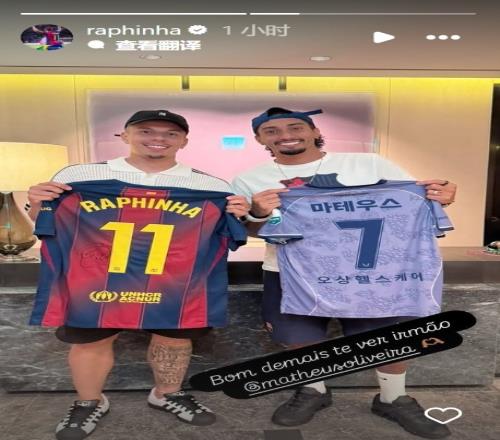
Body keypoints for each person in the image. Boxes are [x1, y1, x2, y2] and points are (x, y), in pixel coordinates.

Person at [231, 107, 457, 439]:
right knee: (298, 337)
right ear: (259, 138)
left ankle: (394, 398)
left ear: (313, 131)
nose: (286, 135)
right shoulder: (249, 178)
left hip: (370, 272)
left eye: (295, 127)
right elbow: (253, 229)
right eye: (272, 131)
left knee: (386, 338)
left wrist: (442, 197)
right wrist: (259, 213)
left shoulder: (369, 163)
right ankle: (313, 390)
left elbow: (415, 199)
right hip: (290, 271)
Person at [27, 110, 250, 440]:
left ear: (184, 141)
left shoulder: (211, 186)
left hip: (174, 279)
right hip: (95, 276)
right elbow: (46, 222)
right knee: (91, 339)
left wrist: (239, 214)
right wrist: (36, 203)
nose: (158, 138)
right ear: (125, 135)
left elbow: (228, 232)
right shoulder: (79, 176)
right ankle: (89, 401)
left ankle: (166, 393)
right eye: (146, 130)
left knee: (174, 338)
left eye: (170, 133)